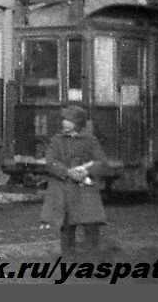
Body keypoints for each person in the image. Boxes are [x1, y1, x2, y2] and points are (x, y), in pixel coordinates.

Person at [40, 105, 109, 256]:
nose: (64, 123)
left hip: (86, 192)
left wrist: (87, 170)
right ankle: (68, 264)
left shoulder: (90, 141)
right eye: (64, 119)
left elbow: (102, 163)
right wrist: (67, 172)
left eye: (68, 120)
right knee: (67, 230)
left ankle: (92, 265)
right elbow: (50, 163)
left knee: (91, 228)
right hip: (65, 191)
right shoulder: (56, 141)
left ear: (77, 123)